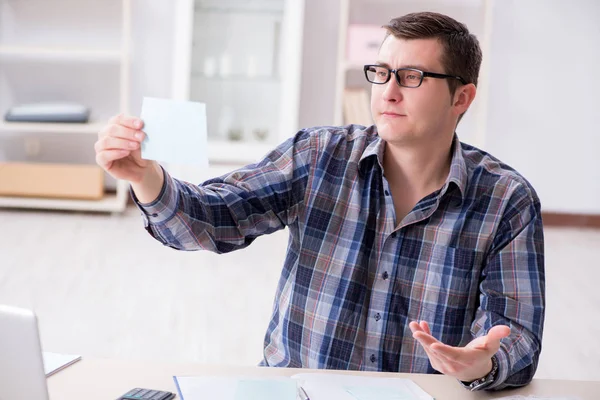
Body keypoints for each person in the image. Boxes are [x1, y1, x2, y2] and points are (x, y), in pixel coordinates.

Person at [94, 11, 544, 391]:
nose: (388, 91)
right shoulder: (317, 156)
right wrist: (144, 177)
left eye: (412, 77)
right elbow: (213, 219)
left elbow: (517, 337)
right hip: (297, 393)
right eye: (381, 72)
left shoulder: (507, 200)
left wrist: (481, 363)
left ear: (461, 97)